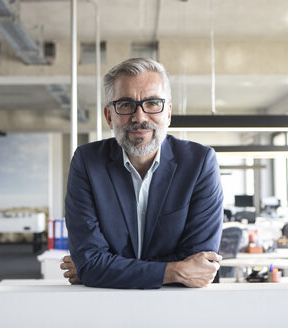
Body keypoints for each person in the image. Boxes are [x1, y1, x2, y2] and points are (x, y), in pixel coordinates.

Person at [61, 58, 223, 289]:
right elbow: (90, 263)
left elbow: (199, 265)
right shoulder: (88, 162)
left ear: (168, 113)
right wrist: (175, 270)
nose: (140, 117)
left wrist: (104, 269)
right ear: (109, 116)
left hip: (178, 311)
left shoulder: (199, 163)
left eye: (153, 103)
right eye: (126, 105)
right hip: (108, 311)